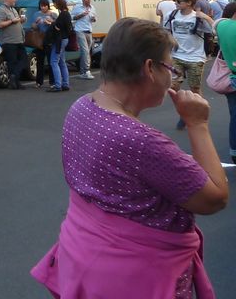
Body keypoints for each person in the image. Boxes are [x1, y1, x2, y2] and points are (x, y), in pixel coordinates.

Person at [31, 18, 228, 298]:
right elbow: (215, 198)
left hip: (84, 256)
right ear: (150, 69)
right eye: (170, 68)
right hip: (138, 278)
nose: (173, 78)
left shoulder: (81, 106)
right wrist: (198, 124)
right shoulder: (142, 142)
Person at [165, 0, 214, 129]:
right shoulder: (172, 15)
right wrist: (171, 41)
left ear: (189, 3)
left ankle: (201, 114)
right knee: (172, 87)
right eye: (176, 0)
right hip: (177, 57)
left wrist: (205, 17)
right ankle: (184, 112)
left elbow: (215, 30)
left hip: (195, 58)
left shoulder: (198, 18)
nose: (176, 3)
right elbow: (166, 31)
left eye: (179, 1)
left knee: (195, 91)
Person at [215, 2, 236, 164]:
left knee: (234, 116)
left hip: (230, 78)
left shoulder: (222, 26)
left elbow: (215, 22)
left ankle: (234, 150)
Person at [0, 0, 27, 89]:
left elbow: (16, 22)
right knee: (12, 62)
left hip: (19, 40)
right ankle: (15, 82)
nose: (15, 0)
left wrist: (21, 20)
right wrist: (12, 21)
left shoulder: (13, 9)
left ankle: (14, 78)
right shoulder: (1, 10)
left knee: (23, 60)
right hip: (9, 41)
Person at [47, 0, 73, 92]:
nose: (53, 4)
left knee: (54, 61)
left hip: (60, 40)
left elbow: (58, 27)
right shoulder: (67, 13)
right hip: (65, 39)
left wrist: (52, 23)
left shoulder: (63, 14)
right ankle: (65, 83)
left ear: (58, 3)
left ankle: (58, 85)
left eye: (54, 2)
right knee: (62, 62)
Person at [71, 0, 97, 80]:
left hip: (89, 30)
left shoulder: (92, 7)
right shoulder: (77, 7)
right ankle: (86, 71)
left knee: (86, 52)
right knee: (85, 51)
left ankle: (82, 72)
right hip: (79, 30)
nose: (88, 0)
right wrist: (81, 15)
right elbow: (72, 18)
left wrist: (93, 19)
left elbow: (94, 19)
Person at [30, 0, 54, 89]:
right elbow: (33, 27)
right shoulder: (36, 14)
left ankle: (52, 82)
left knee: (51, 61)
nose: (43, 8)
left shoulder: (52, 14)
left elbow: (56, 25)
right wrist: (36, 23)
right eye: (41, 6)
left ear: (48, 6)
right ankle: (39, 82)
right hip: (39, 39)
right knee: (39, 62)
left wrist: (50, 22)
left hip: (49, 39)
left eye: (45, 5)